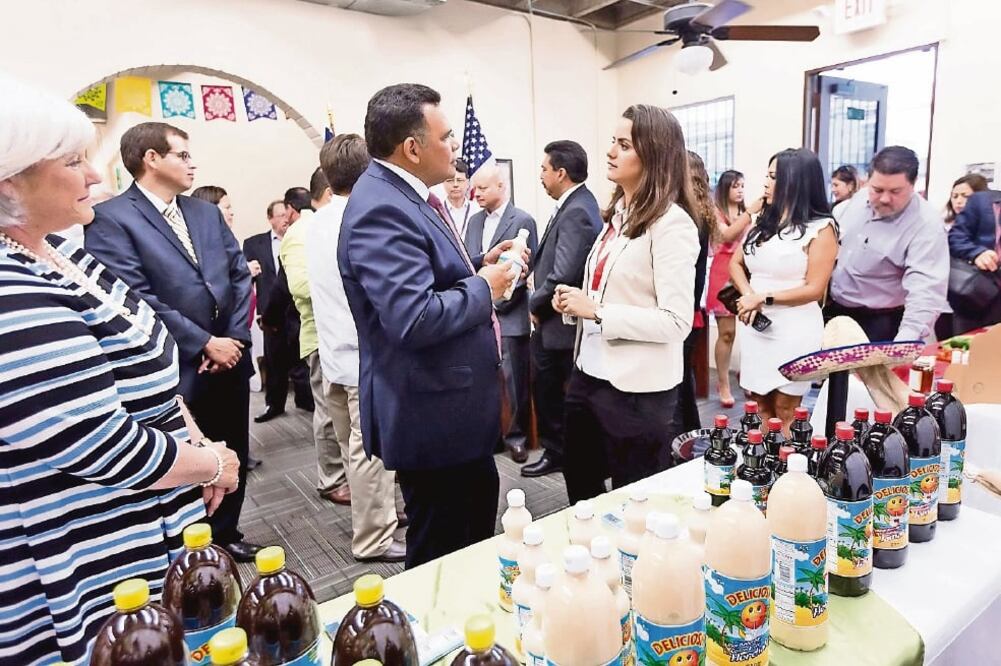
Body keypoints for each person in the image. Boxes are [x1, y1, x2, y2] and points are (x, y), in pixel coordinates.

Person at [0, 74, 238, 664]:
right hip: (83, 555)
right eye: (75, 161)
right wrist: (209, 462)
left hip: (151, 520)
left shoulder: (61, 251)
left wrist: (194, 440)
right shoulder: (10, 285)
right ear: (11, 181)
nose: (95, 175)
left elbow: (146, 361)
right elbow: (94, 440)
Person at [338, 83, 525, 568]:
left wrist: (483, 263)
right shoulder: (382, 207)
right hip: (433, 412)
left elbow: (430, 273)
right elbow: (414, 317)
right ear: (413, 148)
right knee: (446, 550)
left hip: (448, 407)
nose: (456, 149)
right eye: (447, 138)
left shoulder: (406, 194)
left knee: (468, 526)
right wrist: (487, 287)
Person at [85, 121, 260, 562]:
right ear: (151, 159)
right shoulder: (112, 220)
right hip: (174, 366)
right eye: (182, 154)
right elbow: (136, 296)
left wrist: (233, 339)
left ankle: (227, 533)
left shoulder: (204, 213)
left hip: (229, 357)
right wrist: (203, 343)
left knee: (233, 446)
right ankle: (193, 548)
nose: (192, 162)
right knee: (185, 456)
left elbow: (238, 274)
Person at [552, 104, 700, 503]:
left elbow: (675, 322)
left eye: (623, 145)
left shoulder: (673, 225)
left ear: (653, 154)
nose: (610, 152)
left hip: (637, 389)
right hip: (589, 374)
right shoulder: (617, 216)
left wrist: (596, 309)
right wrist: (575, 304)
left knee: (633, 498)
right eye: (612, 143)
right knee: (580, 485)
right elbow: (610, 291)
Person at [307, 133, 405, 562]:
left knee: (354, 450)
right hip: (364, 358)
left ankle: (376, 516)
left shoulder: (315, 223)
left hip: (334, 356)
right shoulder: (364, 219)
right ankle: (373, 538)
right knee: (370, 454)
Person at [731, 148, 838, 429]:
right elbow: (735, 263)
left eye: (774, 177)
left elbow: (815, 289)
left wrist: (762, 298)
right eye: (767, 175)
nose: (765, 182)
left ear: (797, 182)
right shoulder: (761, 221)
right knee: (758, 404)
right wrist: (747, 295)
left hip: (795, 328)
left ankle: (788, 470)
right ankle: (762, 467)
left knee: (786, 409)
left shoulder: (822, 228)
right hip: (756, 324)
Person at [522, 140, 602, 478]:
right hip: (554, 321)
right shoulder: (573, 205)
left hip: (561, 325)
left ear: (561, 172)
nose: (540, 175)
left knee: (557, 395)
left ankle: (561, 454)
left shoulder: (578, 210)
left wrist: (533, 301)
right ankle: (561, 452)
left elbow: (564, 272)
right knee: (548, 392)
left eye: (543, 169)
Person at [276, 183, 356, 507]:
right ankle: (331, 479)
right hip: (321, 335)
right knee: (328, 411)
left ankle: (354, 478)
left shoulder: (337, 222)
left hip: (348, 331)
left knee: (352, 418)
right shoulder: (301, 231)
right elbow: (299, 285)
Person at [827, 146, 949, 342]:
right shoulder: (857, 201)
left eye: (895, 191)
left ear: (913, 184)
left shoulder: (926, 225)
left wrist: (904, 343)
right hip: (835, 311)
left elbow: (926, 290)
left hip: (879, 322)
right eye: (877, 190)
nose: (884, 198)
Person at [465, 164, 538, 463]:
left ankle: (516, 437)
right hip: (477, 317)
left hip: (510, 314)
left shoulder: (523, 220)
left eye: (483, 188)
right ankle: (492, 435)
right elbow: (471, 264)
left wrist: (496, 298)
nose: (476, 193)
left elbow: (526, 271)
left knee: (514, 382)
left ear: (501, 186)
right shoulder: (473, 222)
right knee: (485, 380)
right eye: (475, 188)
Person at [243, 201, 314, 423]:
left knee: (302, 361)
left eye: (287, 214)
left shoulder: (302, 238)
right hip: (270, 313)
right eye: (280, 215)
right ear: (270, 218)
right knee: (274, 362)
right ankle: (274, 405)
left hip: (296, 310)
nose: (285, 219)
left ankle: (306, 401)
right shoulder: (254, 244)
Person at [705, 169, 759, 408]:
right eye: (736, 186)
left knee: (750, 331)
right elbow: (726, 235)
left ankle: (747, 376)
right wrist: (749, 213)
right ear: (725, 188)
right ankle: (724, 383)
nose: (740, 191)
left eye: (743, 186)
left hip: (746, 274)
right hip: (722, 273)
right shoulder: (715, 212)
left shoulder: (748, 214)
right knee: (727, 333)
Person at [672, 151, 716, 434]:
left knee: (678, 380)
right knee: (682, 378)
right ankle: (690, 432)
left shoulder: (687, 217)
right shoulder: (700, 212)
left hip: (685, 308)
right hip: (691, 307)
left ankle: (683, 434)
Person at [948, 187, 1001, 333]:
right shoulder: (981, 201)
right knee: (966, 348)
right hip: (978, 291)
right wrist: (977, 253)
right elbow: (955, 238)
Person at [443, 158, 480, 237]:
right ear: (443, 183)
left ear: (467, 183)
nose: (455, 185)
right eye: (450, 181)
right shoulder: (436, 211)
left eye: (459, 180)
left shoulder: (478, 210)